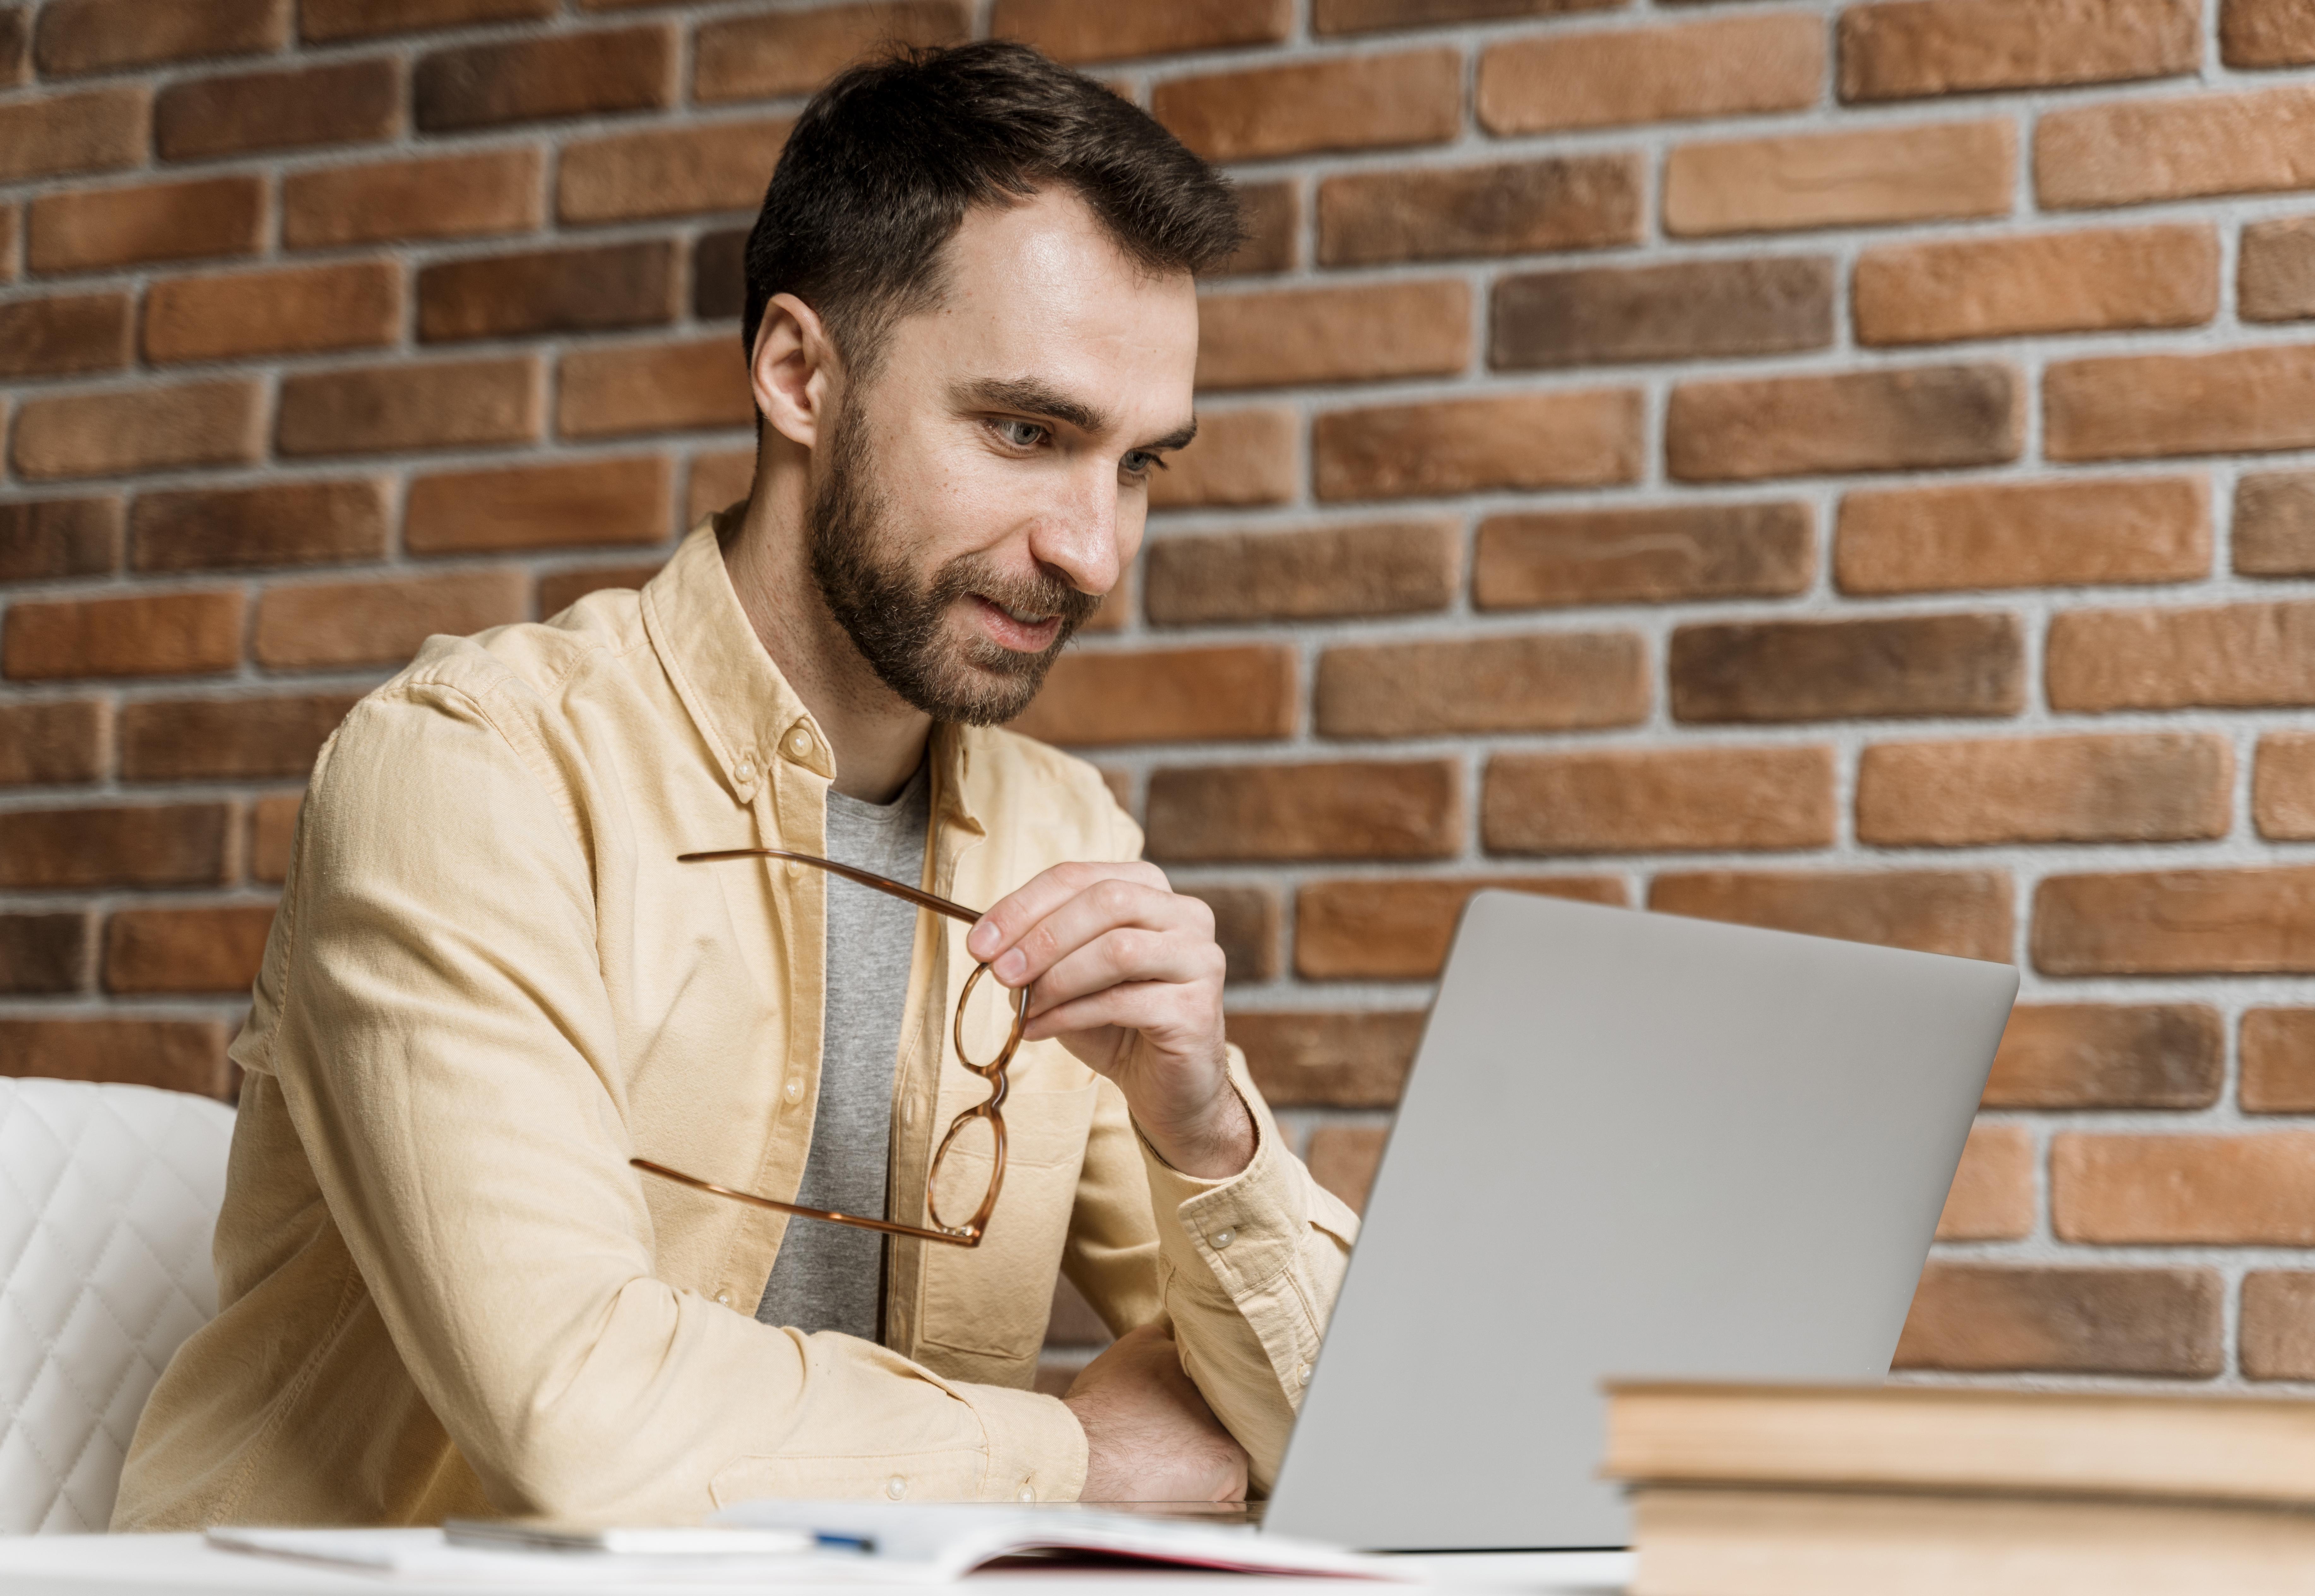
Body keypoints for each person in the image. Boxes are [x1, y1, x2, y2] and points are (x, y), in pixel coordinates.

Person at [112, 41, 1357, 1530]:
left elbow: (1349, 1426)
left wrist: (1207, 1133)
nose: (1092, 549)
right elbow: (579, 1422)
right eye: (1026, 431)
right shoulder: (472, 769)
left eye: (1139, 463)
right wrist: (1072, 1455)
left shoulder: (1059, 834)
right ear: (798, 374)